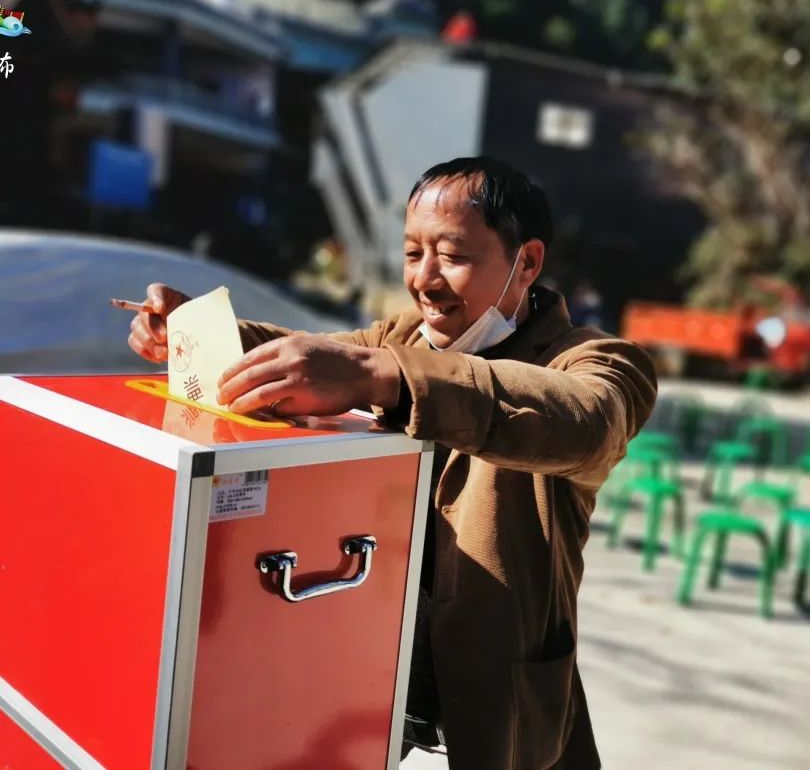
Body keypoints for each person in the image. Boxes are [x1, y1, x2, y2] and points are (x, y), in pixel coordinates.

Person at [128, 157, 657, 770]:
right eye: (412, 254)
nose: (425, 281)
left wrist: (384, 378)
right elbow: (310, 354)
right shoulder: (402, 337)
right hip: (371, 666)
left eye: (452, 256)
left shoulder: (595, 360)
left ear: (527, 262)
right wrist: (198, 331)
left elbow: (588, 420)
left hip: (494, 687)